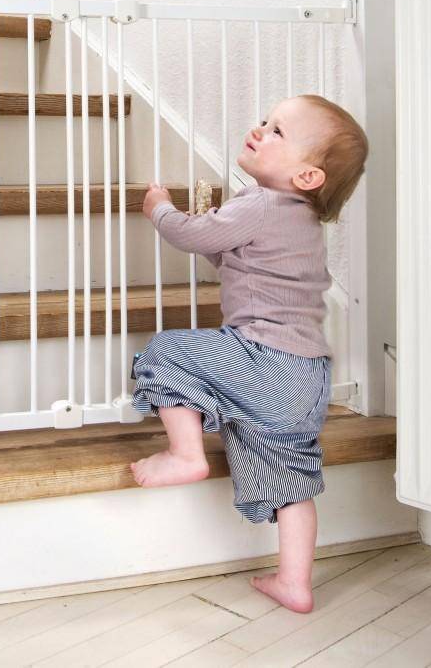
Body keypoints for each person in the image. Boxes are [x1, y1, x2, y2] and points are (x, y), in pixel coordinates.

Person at [130, 94, 369, 614]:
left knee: (168, 350)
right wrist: (219, 230)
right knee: (290, 478)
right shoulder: (301, 222)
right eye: (265, 120)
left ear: (308, 176)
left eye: (278, 131)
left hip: (264, 357)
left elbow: (189, 235)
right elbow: (238, 257)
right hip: (308, 377)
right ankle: (294, 583)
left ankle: (185, 453)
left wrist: (160, 209)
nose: (260, 130)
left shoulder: (259, 204)